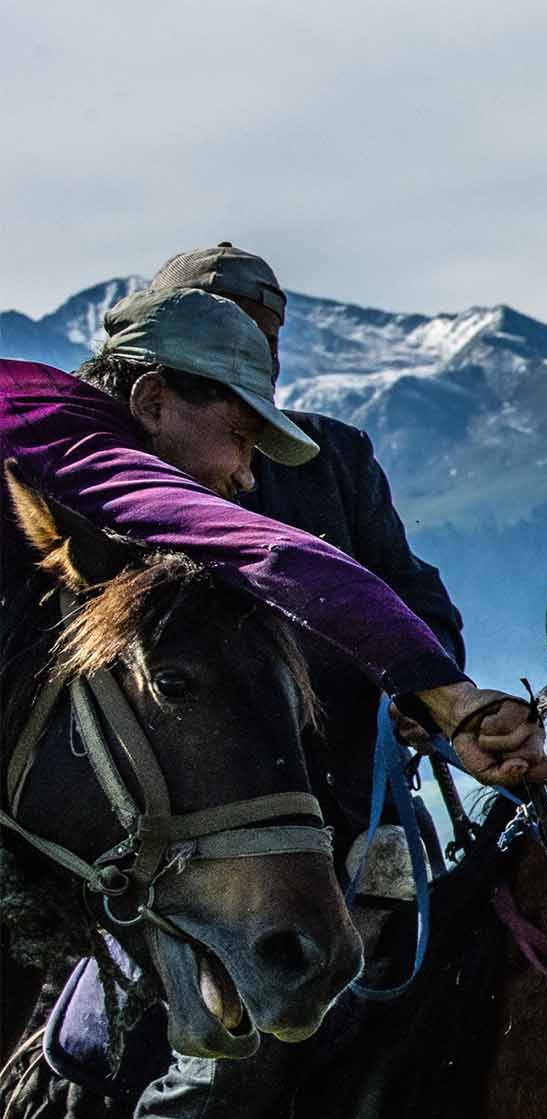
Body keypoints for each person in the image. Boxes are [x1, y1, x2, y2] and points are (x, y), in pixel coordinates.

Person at [0, 287, 547, 1119]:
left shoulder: (141, 481)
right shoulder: (66, 438)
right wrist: (441, 693)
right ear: (151, 398)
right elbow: (270, 551)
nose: (248, 474)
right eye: (241, 436)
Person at [125, 242, 468, 847]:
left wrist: (423, 688)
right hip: (188, 806)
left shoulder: (333, 458)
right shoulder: (120, 469)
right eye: (222, 342)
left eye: (262, 346)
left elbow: (412, 594)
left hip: (355, 794)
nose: (247, 362)